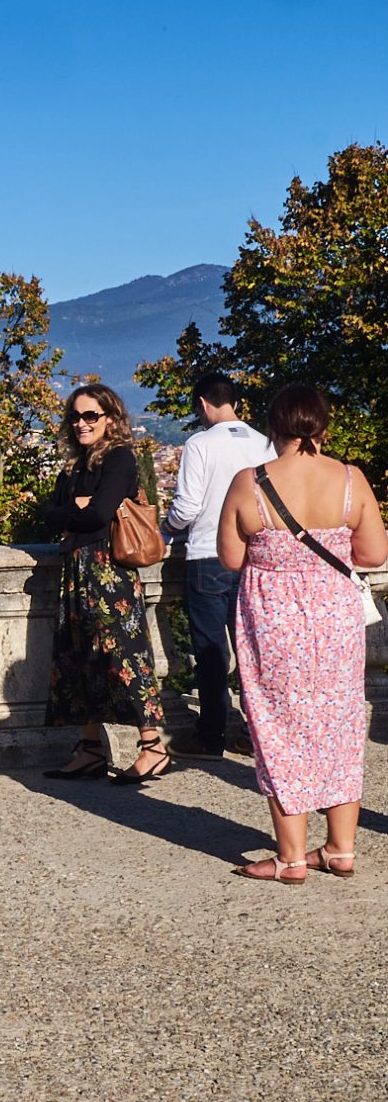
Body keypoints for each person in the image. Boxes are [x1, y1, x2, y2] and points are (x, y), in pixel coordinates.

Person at [216, 384, 387, 882]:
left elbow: (230, 558)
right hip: (335, 621)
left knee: (277, 726)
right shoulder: (351, 480)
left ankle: (291, 858)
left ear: (273, 428)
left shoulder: (250, 482)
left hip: (272, 622)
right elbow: (374, 555)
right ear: (323, 426)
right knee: (341, 723)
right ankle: (340, 848)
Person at [41, 384, 169, 783]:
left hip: (109, 570)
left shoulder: (119, 460)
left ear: (110, 419)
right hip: (78, 569)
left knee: (124, 658)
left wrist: (75, 509)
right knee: (78, 658)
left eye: (90, 416)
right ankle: (92, 749)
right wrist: (71, 509)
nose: (81, 423)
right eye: (75, 417)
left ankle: (153, 746)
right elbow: (49, 512)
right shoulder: (75, 465)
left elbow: (96, 516)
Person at [162, 372, 273, 757]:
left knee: (211, 652)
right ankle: (256, 733)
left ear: (203, 404)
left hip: (208, 555)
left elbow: (188, 506)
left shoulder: (199, 444)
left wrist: (165, 530)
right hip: (255, 556)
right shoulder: (265, 444)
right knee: (253, 651)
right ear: (236, 403)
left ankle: (210, 736)